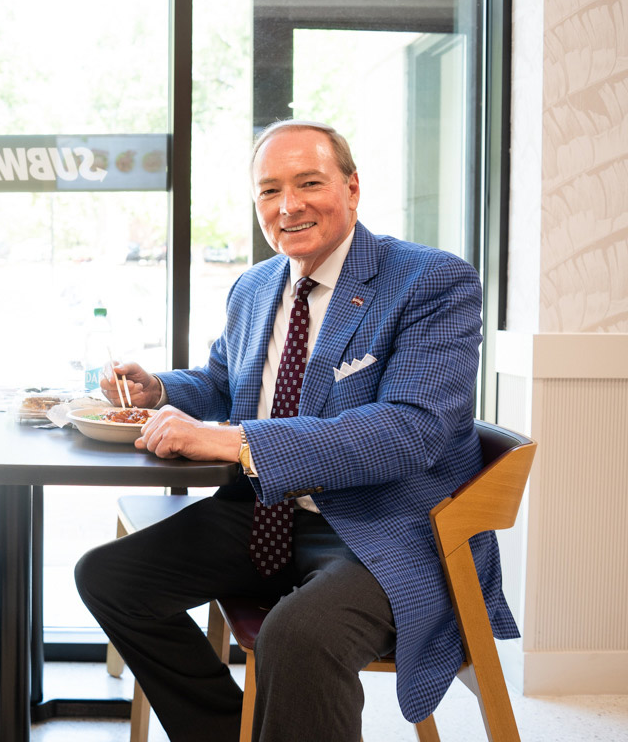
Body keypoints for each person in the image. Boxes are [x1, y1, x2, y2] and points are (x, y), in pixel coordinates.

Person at [74, 119, 518, 741]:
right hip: (268, 512)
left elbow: (409, 431)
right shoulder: (255, 286)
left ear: (353, 188)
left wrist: (239, 441)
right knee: (110, 578)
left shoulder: (431, 281)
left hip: (386, 525)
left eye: (309, 182)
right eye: (269, 191)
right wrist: (164, 391)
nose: (288, 206)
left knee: (300, 634)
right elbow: (228, 384)